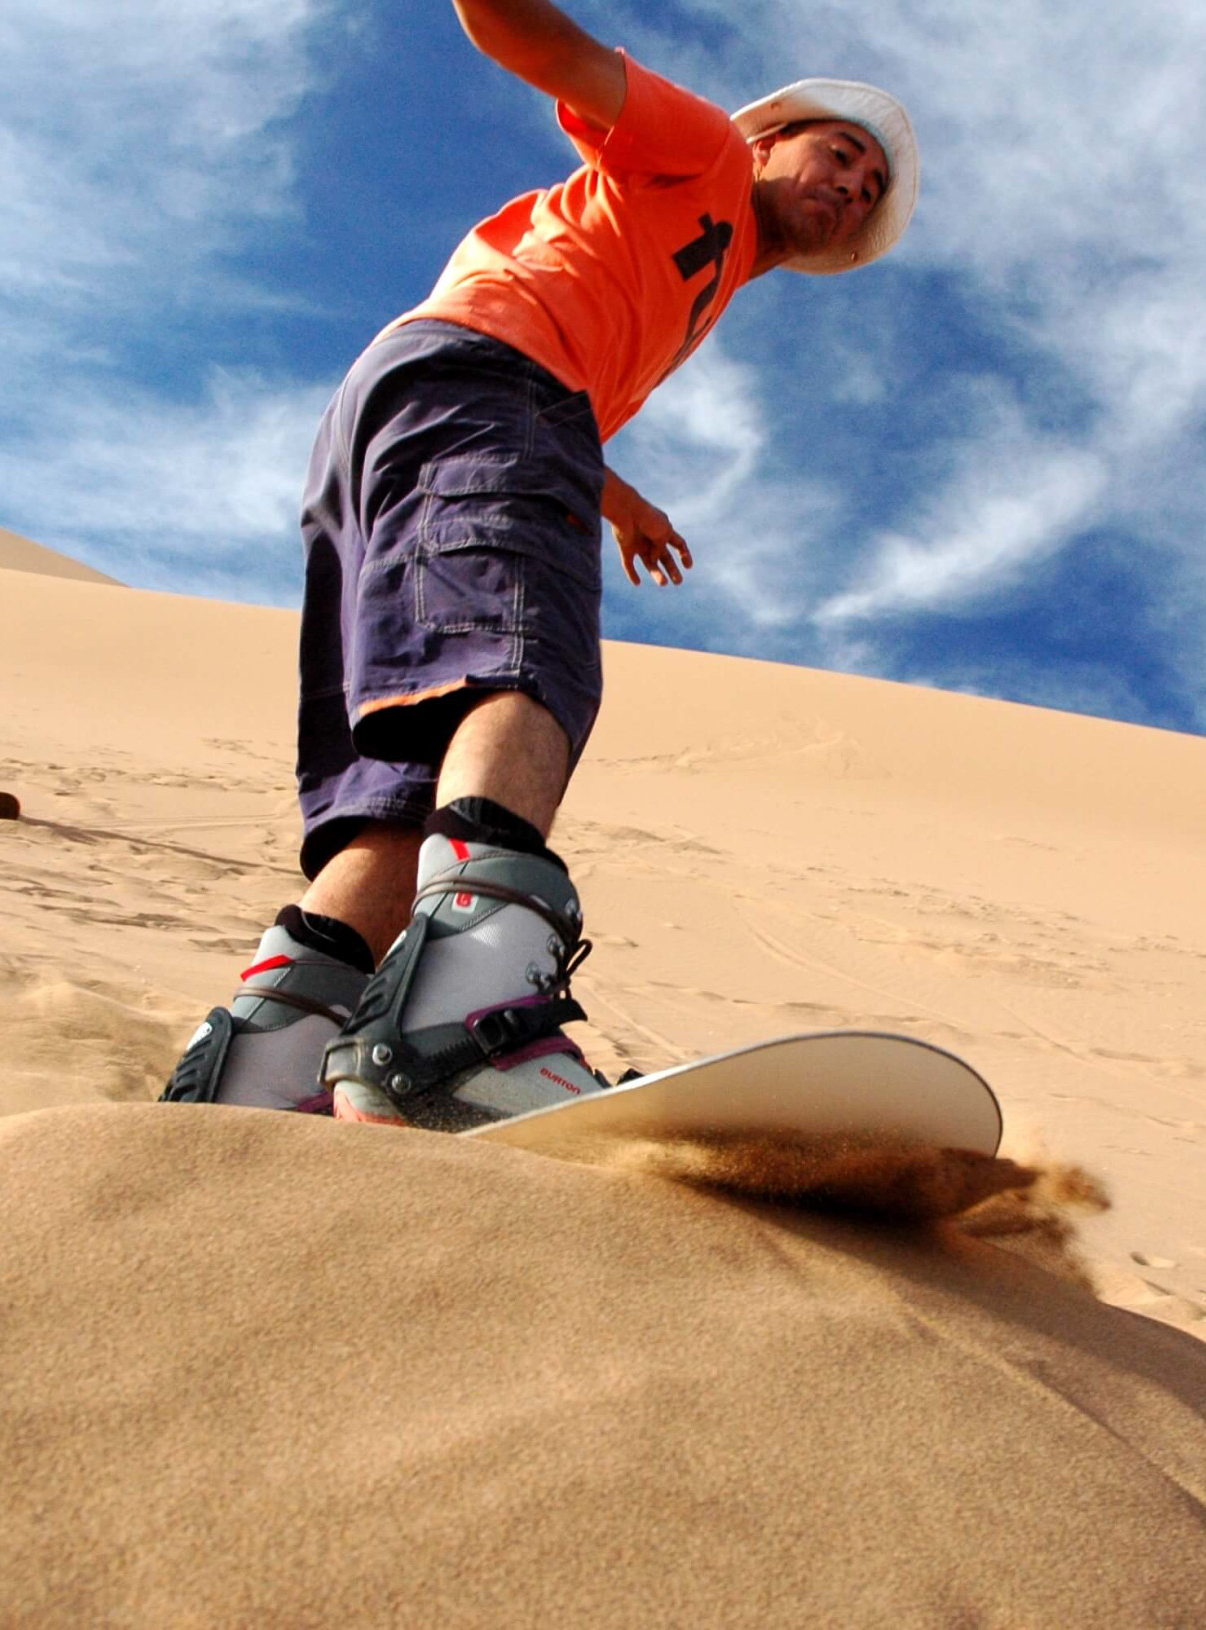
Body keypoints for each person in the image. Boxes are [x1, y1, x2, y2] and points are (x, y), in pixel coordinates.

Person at [164, 0, 918, 1128]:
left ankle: (267, 1060)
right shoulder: (703, 152)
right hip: (488, 385)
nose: (851, 186)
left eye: (867, 191)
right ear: (767, 142)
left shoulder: (685, 275)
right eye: (840, 153)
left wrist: (614, 495)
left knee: (412, 767)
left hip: (411, 412)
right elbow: (537, 45)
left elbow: (550, 339)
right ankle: (459, 1029)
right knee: (526, 667)